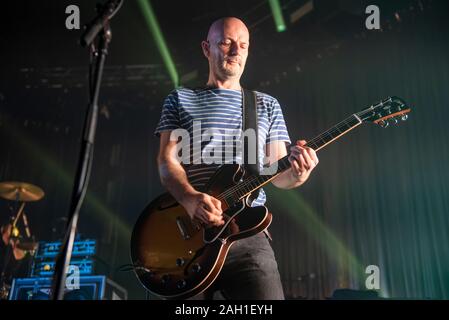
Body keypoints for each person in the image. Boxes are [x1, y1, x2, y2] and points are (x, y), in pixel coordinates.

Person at [154, 17, 319, 300]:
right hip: (189, 235)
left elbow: (278, 173)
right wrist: (190, 198)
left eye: (242, 45)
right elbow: (166, 162)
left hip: (248, 236)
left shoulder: (266, 105)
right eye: (226, 42)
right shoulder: (180, 99)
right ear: (207, 48)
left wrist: (300, 173)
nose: (235, 51)